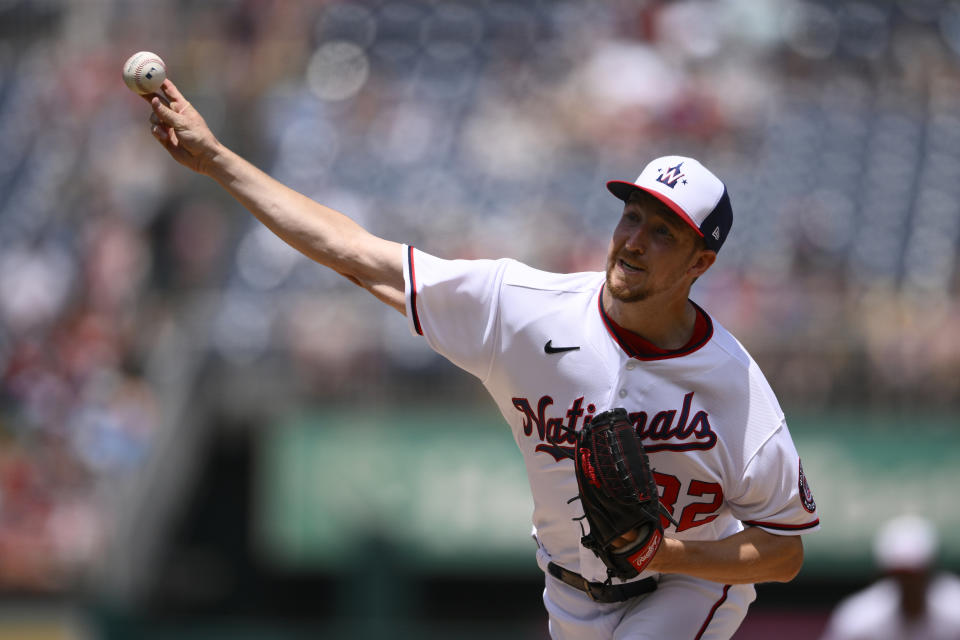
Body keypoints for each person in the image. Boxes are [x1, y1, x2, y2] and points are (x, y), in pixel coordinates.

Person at [141, 79, 821, 639]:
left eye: (664, 231)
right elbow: (355, 254)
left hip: (688, 585)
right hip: (568, 593)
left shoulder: (735, 388)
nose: (635, 241)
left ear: (701, 261)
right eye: (631, 216)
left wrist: (669, 553)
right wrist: (217, 160)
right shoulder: (524, 308)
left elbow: (785, 553)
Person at [819, 515, 960, 640]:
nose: (909, 584)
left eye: (915, 574)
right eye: (901, 575)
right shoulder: (859, 618)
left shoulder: (955, 610)